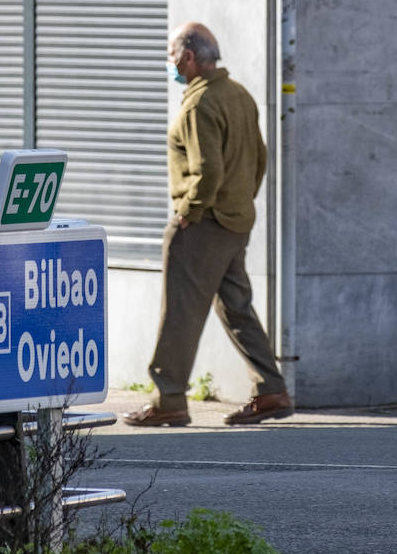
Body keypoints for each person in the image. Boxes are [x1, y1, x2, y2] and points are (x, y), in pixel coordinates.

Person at [124, 22, 293, 428]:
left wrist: (189, 213)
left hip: (203, 225)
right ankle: (271, 389)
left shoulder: (199, 104)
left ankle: (169, 401)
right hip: (236, 222)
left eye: (171, 54)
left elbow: (208, 170)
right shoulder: (239, 95)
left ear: (189, 57)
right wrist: (240, 202)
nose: (169, 62)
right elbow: (260, 158)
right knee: (237, 308)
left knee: (180, 312)